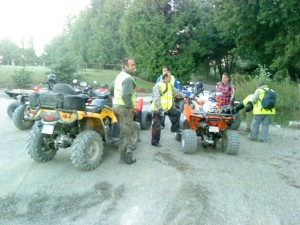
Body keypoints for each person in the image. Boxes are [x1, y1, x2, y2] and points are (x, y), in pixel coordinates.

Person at [112, 58, 137, 164]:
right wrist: (130, 107)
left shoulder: (119, 76)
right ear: (125, 66)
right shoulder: (127, 78)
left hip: (116, 106)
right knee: (126, 132)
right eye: (132, 65)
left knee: (123, 130)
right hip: (124, 108)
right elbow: (126, 95)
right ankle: (123, 157)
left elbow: (110, 89)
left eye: (134, 64)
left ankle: (122, 151)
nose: (134, 66)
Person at [151, 72, 186, 147]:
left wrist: (185, 96)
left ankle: (174, 128)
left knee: (177, 113)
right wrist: (159, 109)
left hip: (168, 108)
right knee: (157, 126)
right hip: (158, 109)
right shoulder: (158, 85)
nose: (171, 79)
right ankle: (155, 142)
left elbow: (177, 93)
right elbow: (156, 98)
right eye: (170, 77)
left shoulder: (169, 85)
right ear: (166, 77)